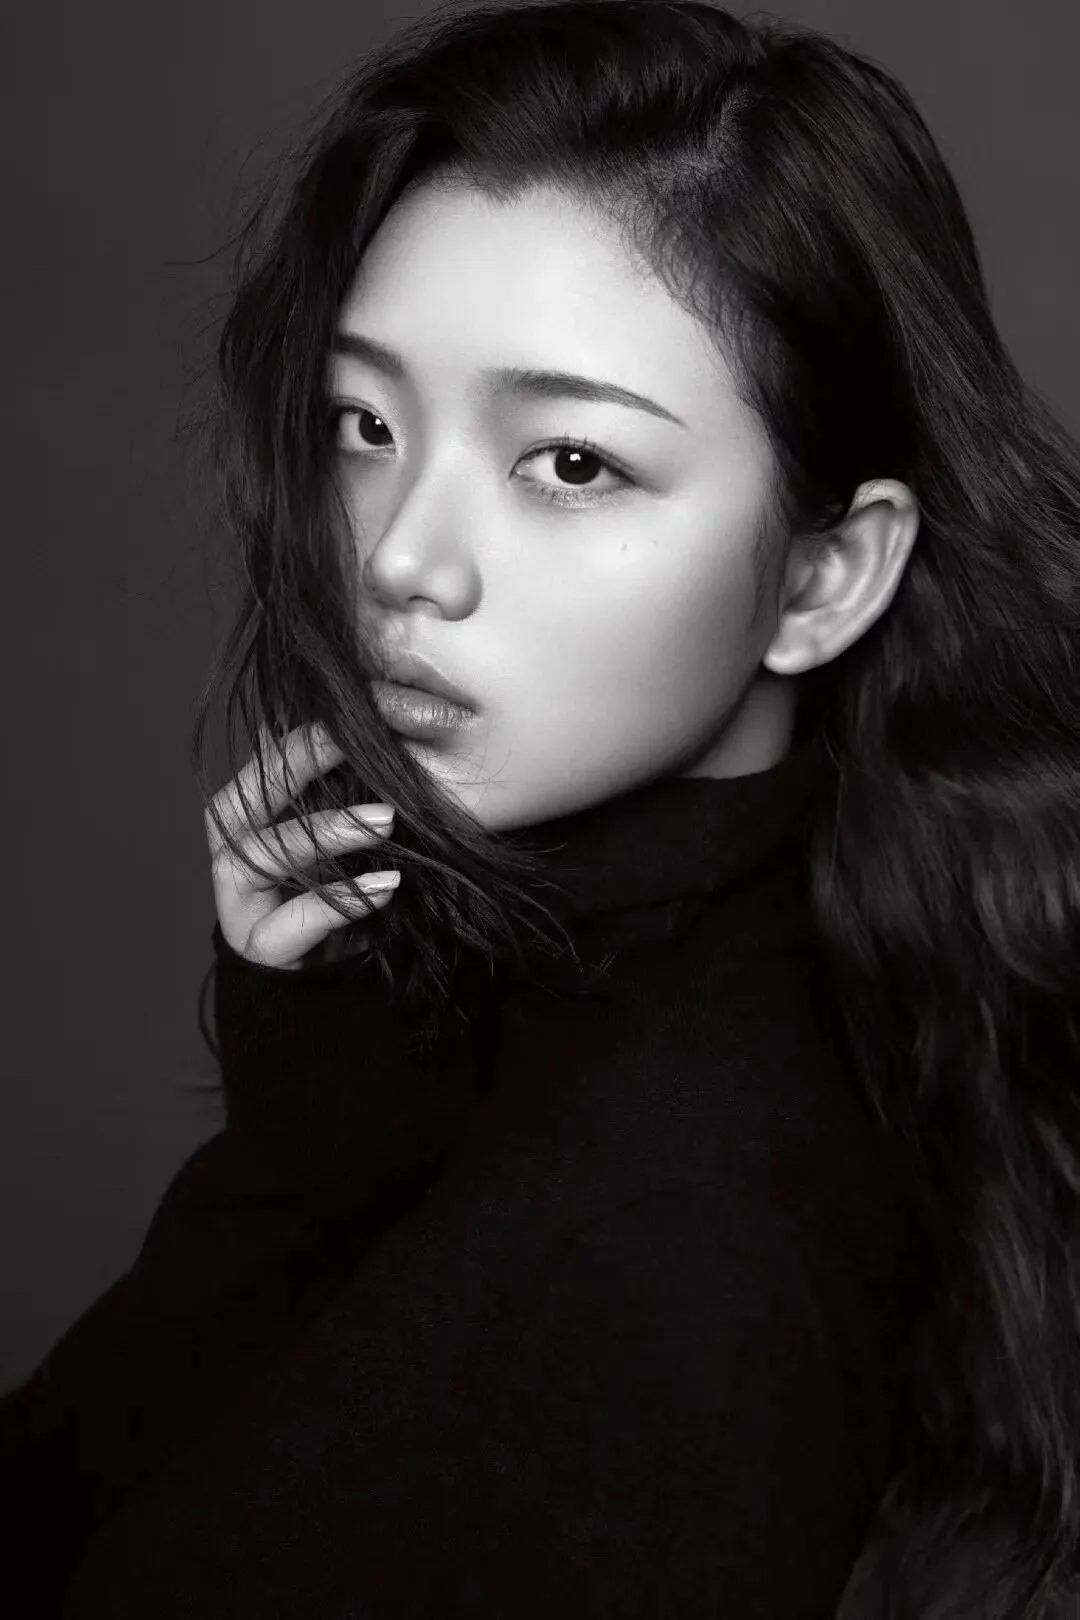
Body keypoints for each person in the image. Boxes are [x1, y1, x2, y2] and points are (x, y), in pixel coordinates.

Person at [4, 1, 1080, 1614]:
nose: (398, 560)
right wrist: (319, 1128)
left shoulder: (680, 1232)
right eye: (367, 425)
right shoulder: (639, 998)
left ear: (824, 577)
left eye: (570, 464)